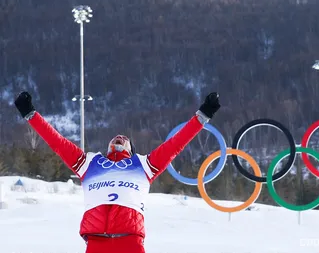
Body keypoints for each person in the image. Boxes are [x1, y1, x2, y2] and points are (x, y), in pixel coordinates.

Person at [14, 91, 221, 253]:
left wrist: (203, 115)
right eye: (115, 138)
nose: (119, 138)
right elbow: (57, 142)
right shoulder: (89, 163)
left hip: (130, 242)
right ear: (108, 147)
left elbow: (176, 143)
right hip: (96, 243)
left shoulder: (144, 165)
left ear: (131, 150)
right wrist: (30, 114)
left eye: (124, 139)